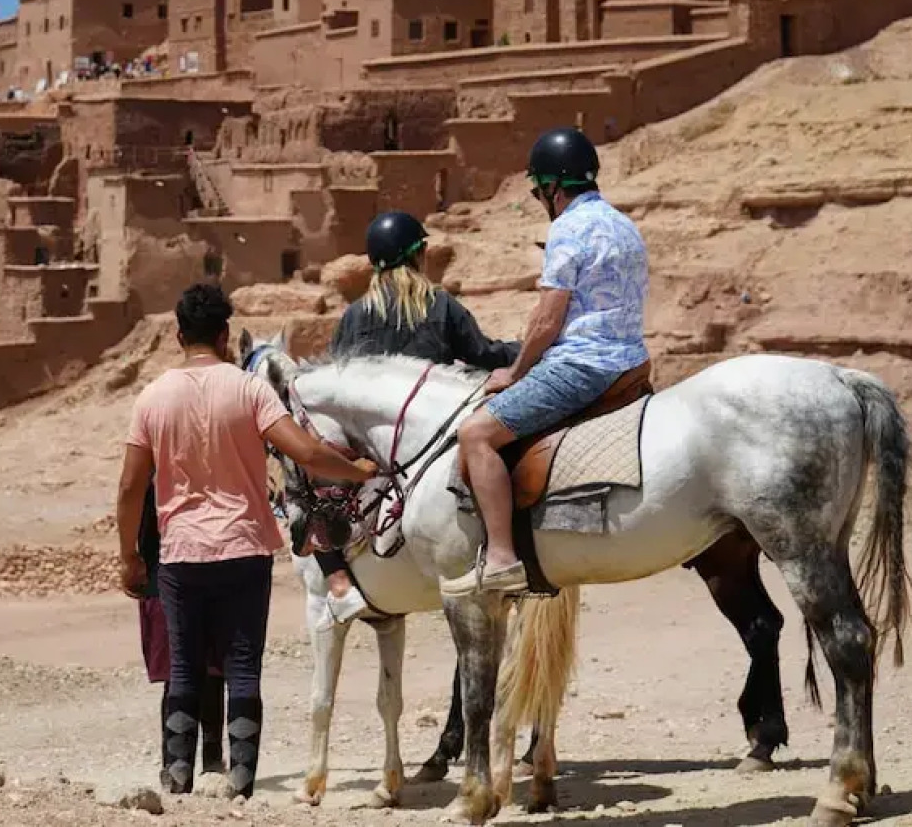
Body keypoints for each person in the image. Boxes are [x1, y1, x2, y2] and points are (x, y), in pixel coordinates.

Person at [116, 283, 376, 798]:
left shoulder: (152, 398)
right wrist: (356, 469)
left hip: (182, 552)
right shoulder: (249, 390)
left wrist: (128, 556)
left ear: (177, 335)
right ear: (225, 336)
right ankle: (239, 779)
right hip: (244, 547)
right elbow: (305, 451)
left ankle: (177, 774)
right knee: (241, 665)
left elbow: (128, 487)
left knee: (186, 663)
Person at [446, 127, 649, 596]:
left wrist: (515, 373)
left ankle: (499, 558)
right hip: (632, 361)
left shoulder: (567, 228)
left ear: (554, 187)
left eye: (539, 190)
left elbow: (547, 319)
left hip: (583, 366)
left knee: (476, 434)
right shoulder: (625, 223)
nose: (541, 199)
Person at [315, 210, 519, 629]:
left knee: (309, 493)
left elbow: (335, 386)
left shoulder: (354, 316)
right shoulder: (441, 305)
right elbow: (482, 355)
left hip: (370, 456)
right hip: (427, 447)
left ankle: (337, 576)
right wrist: (526, 349)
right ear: (419, 255)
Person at [135, 480, 226, 776]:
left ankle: (181, 765)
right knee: (202, 673)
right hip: (196, 575)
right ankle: (201, 763)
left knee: (189, 674)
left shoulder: (155, 469)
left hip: (168, 577)